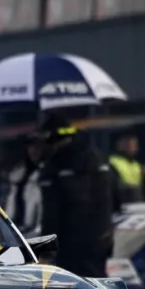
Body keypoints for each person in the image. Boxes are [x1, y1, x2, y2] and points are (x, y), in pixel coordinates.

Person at [38, 113, 117, 278]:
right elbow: (116, 199)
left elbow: (51, 214)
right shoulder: (98, 159)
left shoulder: (55, 167)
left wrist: (45, 252)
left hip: (71, 246)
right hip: (100, 241)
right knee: (97, 288)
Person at [3, 133, 45, 237]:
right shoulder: (17, 176)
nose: (33, 150)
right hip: (16, 231)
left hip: (35, 232)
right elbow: (12, 204)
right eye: (31, 147)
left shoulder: (45, 174)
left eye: (37, 147)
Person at [108, 131, 145, 204]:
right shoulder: (113, 162)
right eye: (130, 142)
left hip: (137, 205)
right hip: (122, 205)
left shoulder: (136, 164)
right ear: (121, 144)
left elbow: (143, 189)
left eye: (135, 143)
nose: (134, 145)